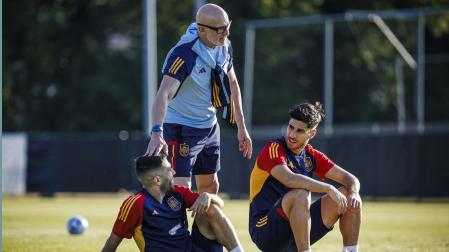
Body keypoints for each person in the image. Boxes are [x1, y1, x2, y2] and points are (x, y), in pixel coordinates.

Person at [144, 3, 252, 194]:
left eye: (228, 27)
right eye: (220, 29)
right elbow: (164, 93)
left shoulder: (224, 46)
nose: (226, 34)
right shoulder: (184, 54)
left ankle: (200, 226)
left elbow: (233, 83)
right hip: (181, 128)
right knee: (180, 190)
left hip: (209, 127)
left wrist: (242, 127)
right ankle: (173, 225)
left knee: (211, 188)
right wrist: (156, 133)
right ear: (202, 30)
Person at [248, 102, 362, 252]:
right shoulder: (273, 149)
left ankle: (351, 250)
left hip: (298, 227)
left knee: (349, 196)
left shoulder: (311, 155)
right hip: (265, 230)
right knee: (301, 195)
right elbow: (289, 179)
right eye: (291, 127)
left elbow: (350, 179)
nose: (292, 135)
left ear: (312, 133)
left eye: (300, 130)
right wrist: (328, 188)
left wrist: (354, 193)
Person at [102, 155, 243, 252]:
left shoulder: (177, 192)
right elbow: (113, 242)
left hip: (192, 249)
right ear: (157, 180)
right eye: (169, 170)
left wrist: (208, 196)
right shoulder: (136, 203)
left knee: (210, 208)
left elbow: (220, 204)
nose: (174, 172)